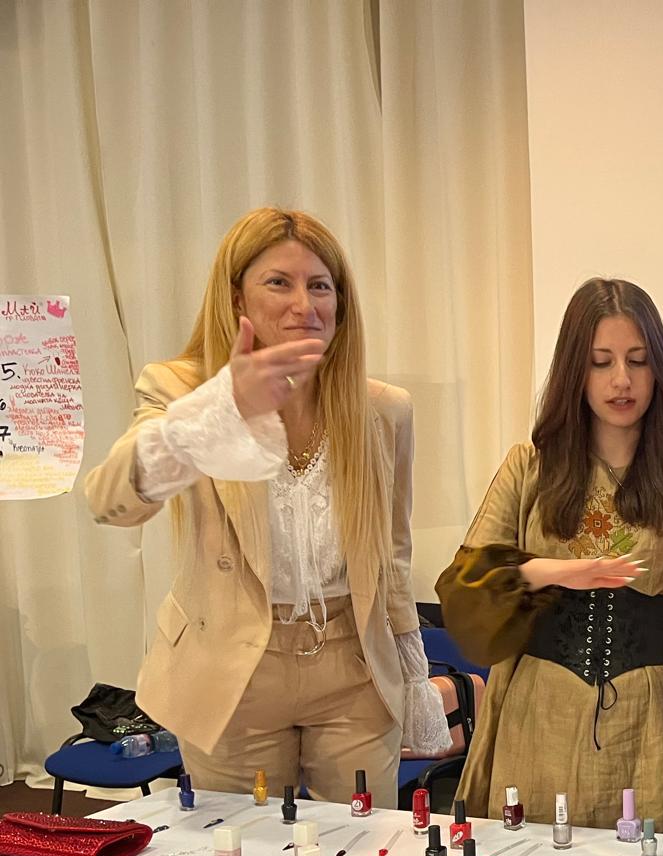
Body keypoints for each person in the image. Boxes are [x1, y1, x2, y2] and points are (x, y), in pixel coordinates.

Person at [86, 208, 448, 808]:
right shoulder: (181, 390)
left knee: (362, 844)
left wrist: (413, 674)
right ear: (237, 298)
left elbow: (393, 555)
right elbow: (111, 502)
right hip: (232, 669)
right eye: (279, 282)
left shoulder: (384, 410)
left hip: (352, 667)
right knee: (242, 847)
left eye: (320, 285)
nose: (304, 305)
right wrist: (219, 409)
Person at [436, 278, 663, 834]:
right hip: (537, 712)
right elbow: (464, 587)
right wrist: (548, 571)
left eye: (638, 361)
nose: (622, 379)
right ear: (575, 369)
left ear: (660, 370)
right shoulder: (528, 470)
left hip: (650, 727)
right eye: (601, 362)